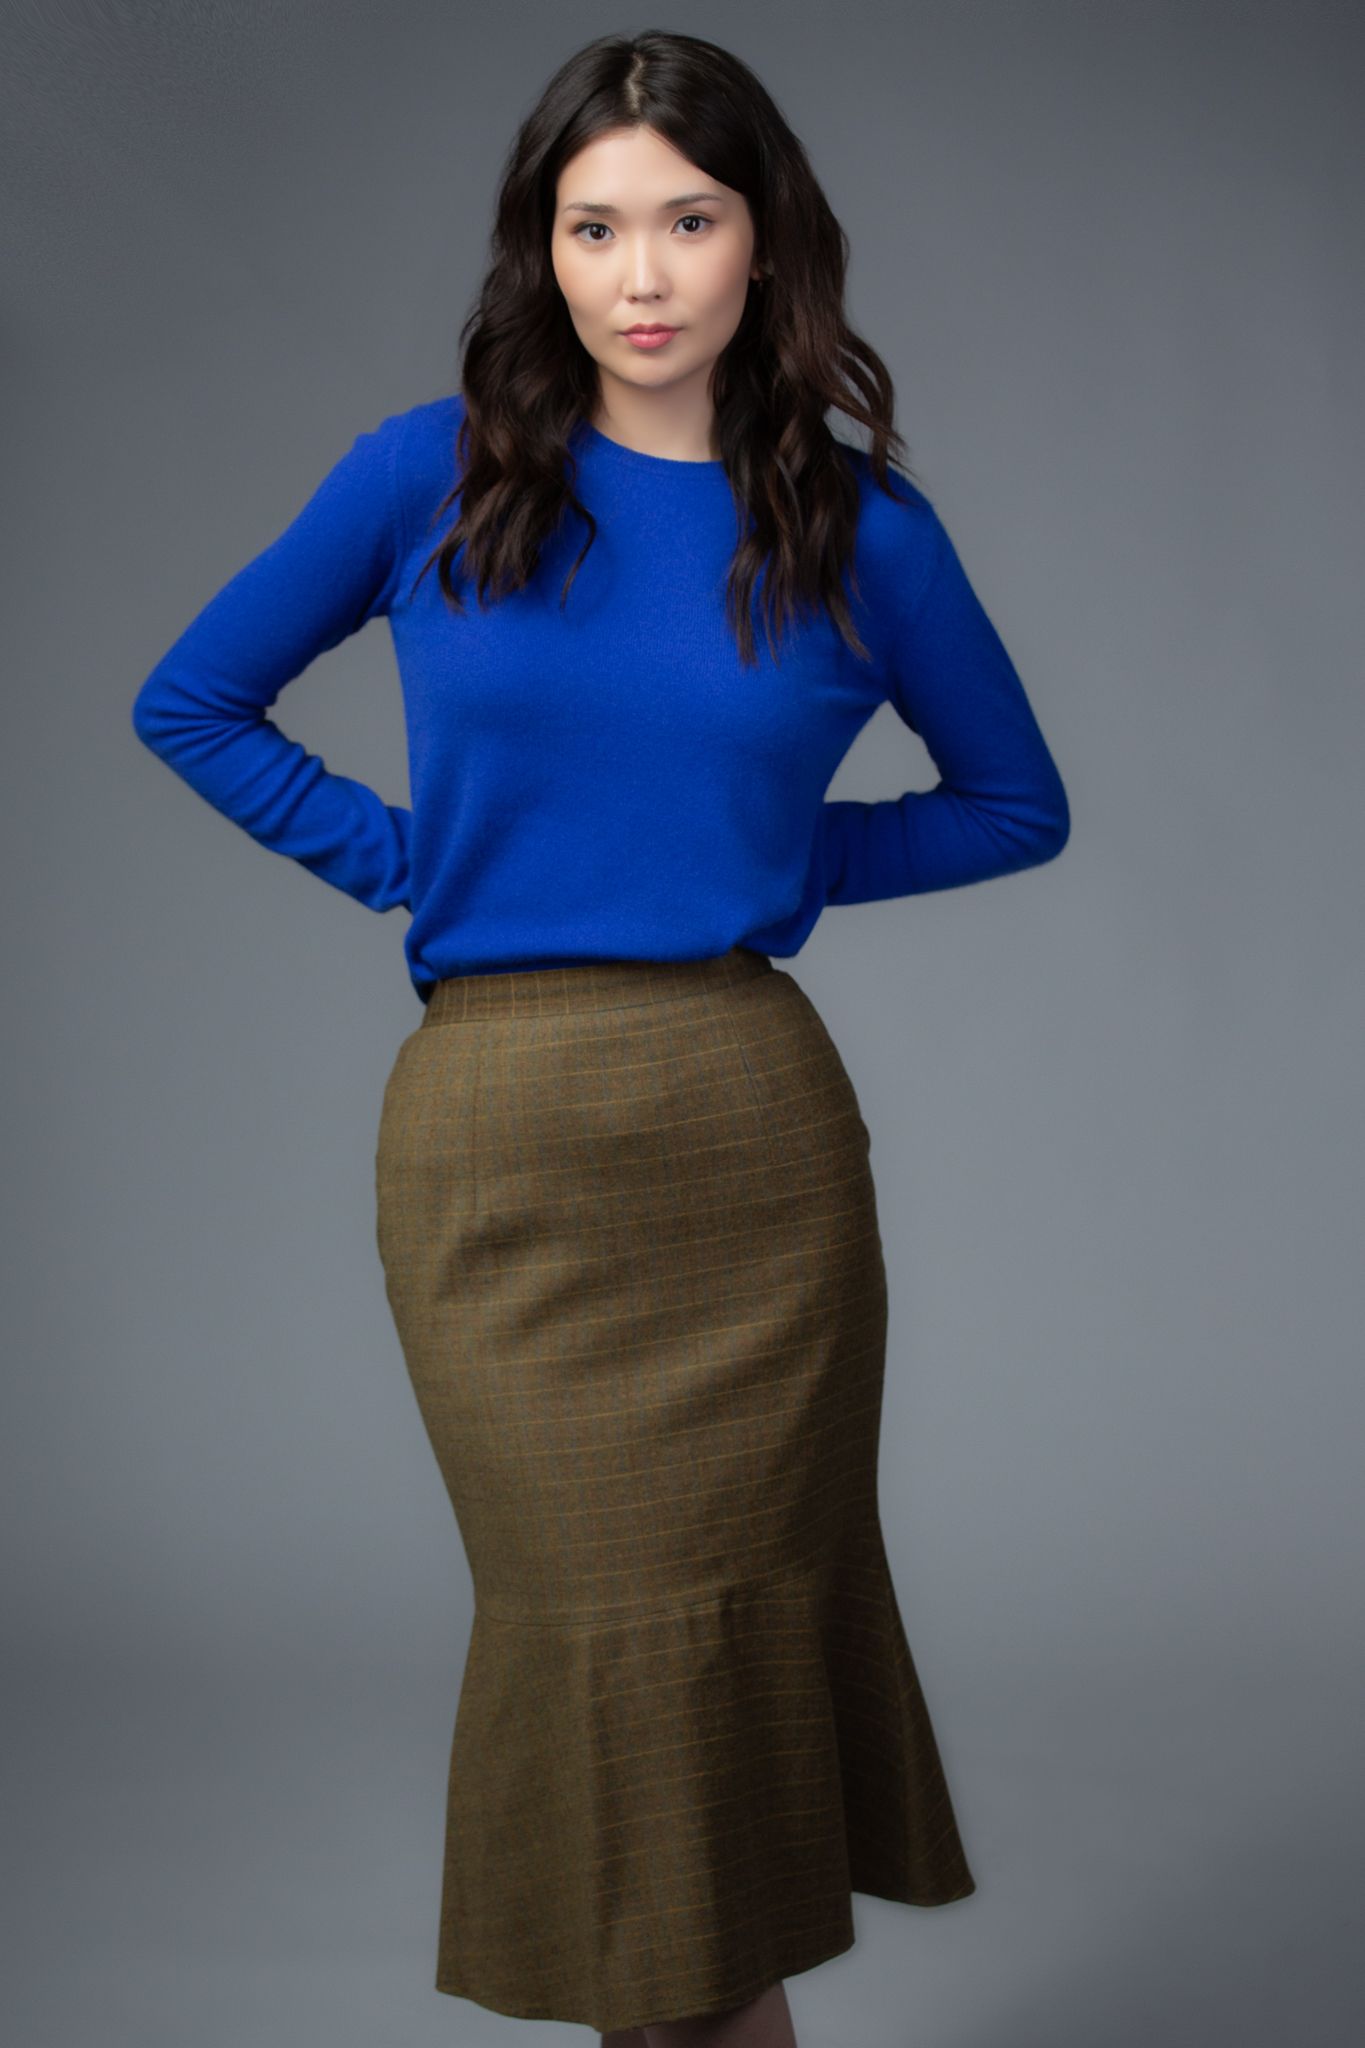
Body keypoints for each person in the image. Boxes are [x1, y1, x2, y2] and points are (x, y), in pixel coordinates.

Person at [130, 29, 1070, 2048]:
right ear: (539, 251)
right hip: (497, 1141)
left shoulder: (860, 530)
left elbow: (1014, 806)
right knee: (600, 1662)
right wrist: (409, 859)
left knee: (715, 1685)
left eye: (686, 221)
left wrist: (765, 866)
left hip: (747, 1145)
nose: (639, 274)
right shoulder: (427, 473)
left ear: (764, 243)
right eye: (592, 227)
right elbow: (190, 701)